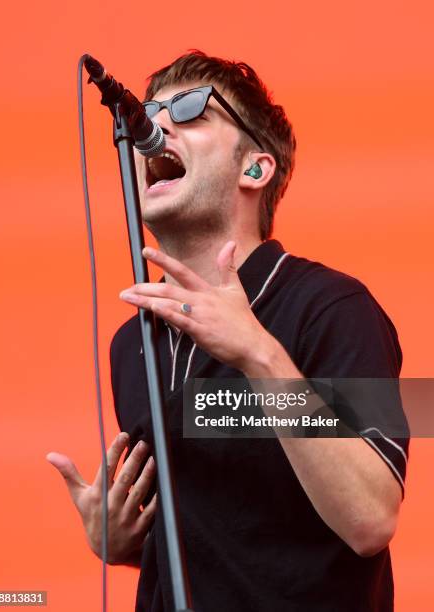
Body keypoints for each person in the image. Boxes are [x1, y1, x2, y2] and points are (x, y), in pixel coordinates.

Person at [47, 51, 409, 611]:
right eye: (149, 111)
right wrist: (123, 544)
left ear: (255, 169)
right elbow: (233, 536)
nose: (156, 124)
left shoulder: (333, 307)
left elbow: (369, 520)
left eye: (190, 110)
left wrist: (260, 355)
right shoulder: (134, 342)